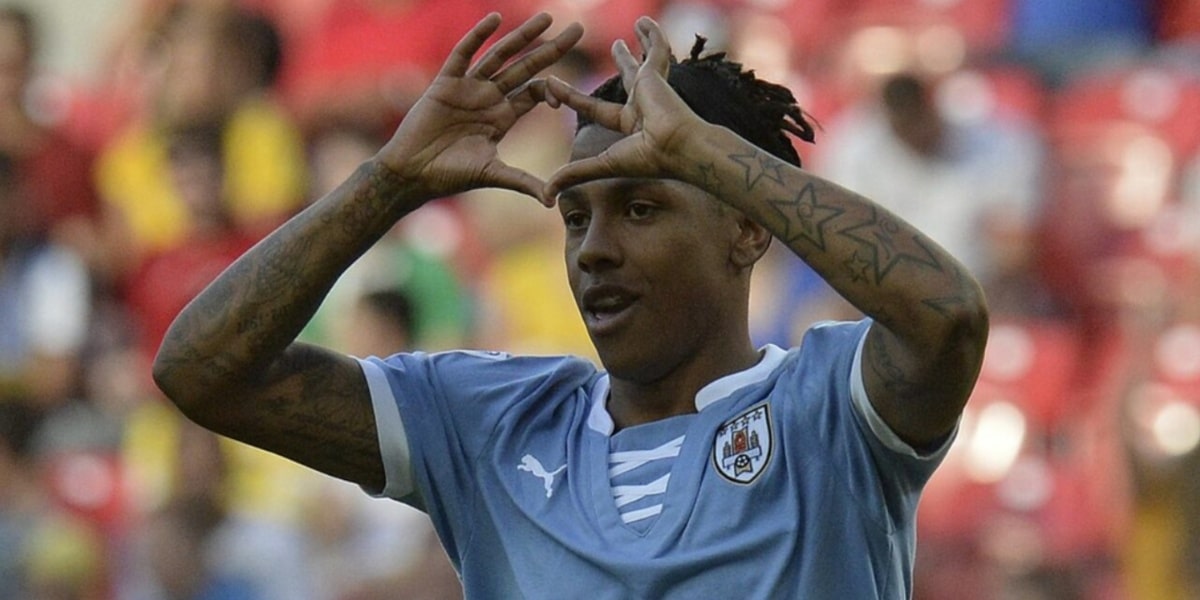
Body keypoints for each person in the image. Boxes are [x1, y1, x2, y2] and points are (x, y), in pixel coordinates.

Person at [153, 12, 989, 599]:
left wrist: (710, 153)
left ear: (745, 231)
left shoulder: (832, 404)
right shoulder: (488, 424)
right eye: (577, 215)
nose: (593, 248)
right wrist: (388, 183)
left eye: (641, 207)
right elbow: (201, 372)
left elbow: (947, 315)